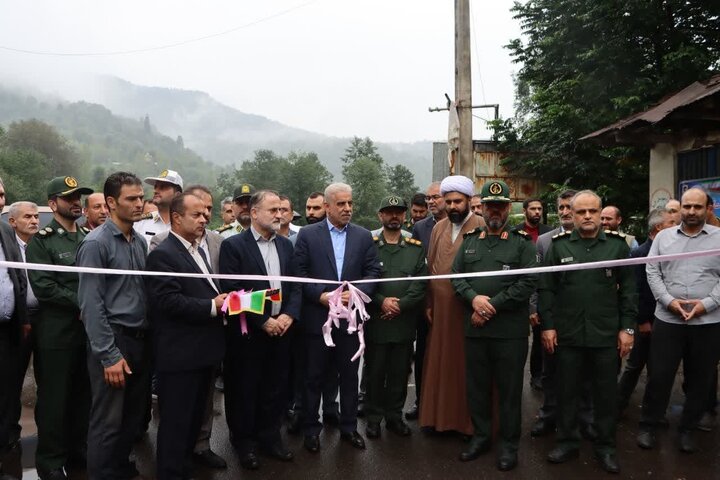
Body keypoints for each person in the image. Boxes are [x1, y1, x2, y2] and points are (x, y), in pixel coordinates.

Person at [540, 190, 636, 474]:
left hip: (605, 335)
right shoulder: (558, 247)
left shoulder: (618, 247)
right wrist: (547, 325)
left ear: (600, 212)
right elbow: (547, 288)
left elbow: (629, 292)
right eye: (580, 211)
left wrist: (627, 329)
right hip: (568, 335)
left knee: (606, 395)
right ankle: (567, 441)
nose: (586, 216)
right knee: (566, 391)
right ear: (571, 212)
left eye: (592, 211)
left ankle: (605, 447)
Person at [451, 180, 537, 471]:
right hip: (475, 330)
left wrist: (491, 306)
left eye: (500, 206)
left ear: (508, 208)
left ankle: (510, 445)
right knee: (478, 388)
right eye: (490, 206)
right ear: (482, 208)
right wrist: (474, 299)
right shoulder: (470, 241)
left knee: (510, 391)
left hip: (509, 333)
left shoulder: (523, 243)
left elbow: (527, 283)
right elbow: (455, 277)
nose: (495, 212)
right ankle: (482, 437)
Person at [145, 192, 228, 480]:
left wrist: (222, 299)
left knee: (193, 418)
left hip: (203, 352)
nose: (204, 219)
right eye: (197, 214)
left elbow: (205, 290)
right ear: (176, 218)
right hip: (180, 354)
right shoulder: (163, 255)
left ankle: (183, 466)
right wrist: (212, 306)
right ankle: (170, 471)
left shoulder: (198, 250)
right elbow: (167, 302)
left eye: (206, 214)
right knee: (176, 421)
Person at [294, 182, 381, 453]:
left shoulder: (363, 236)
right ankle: (311, 430)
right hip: (318, 318)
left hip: (350, 320)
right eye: (341, 204)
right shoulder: (308, 235)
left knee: (349, 376)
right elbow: (298, 273)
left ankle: (349, 428)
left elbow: (373, 272)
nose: (347, 209)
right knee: (313, 376)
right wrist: (321, 296)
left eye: (350, 203)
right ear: (328, 206)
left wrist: (355, 293)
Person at [219, 190, 301, 469]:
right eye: (273, 210)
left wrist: (289, 315)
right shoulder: (234, 247)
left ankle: (271, 438)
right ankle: (245, 443)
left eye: (281, 209)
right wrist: (263, 320)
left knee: (276, 389)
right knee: (245, 389)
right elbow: (232, 292)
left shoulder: (287, 246)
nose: (279, 215)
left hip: (282, 331)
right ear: (254, 213)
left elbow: (296, 286)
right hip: (249, 334)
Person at [77, 172, 151, 480]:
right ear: (110, 202)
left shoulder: (139, 242)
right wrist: (108, 355)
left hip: (139, 341)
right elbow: (90, 306)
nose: (139, 204)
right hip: (113, 342)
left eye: (140, 198)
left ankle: (122, 469)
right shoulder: (96, 244)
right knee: (107, 422)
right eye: (131, 199)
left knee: (131, 419)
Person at [637, 187, 720, 454]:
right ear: (681, 208)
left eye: (698, 207)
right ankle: (649, 425)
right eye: (687, 206)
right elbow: (652, 271)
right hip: (668, 320)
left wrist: (706, 305)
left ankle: (687, 429)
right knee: (659, 376)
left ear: (709, 208)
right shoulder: (664, 237)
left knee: (700, 379)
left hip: (707, 323)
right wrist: (668, 301)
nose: (691, 212)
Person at [26, 176, 94, 480]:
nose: (76, 202)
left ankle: (78, 449)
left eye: (78, 197)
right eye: (69, 198)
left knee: (83, 395)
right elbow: (44, 287)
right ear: (53, 204)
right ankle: (50, 460)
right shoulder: (42, 240)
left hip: (87, 333)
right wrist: (83, 303)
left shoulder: (88, 238)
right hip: (57, 332)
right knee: (55, 398)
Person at [420, 175, 484, 436]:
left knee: (465, 365)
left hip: (468, 308)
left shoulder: (481, 225)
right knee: (439, 360)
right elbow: (431, 266)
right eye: (449, 202)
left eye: (458, 201)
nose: (453, 206)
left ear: (469, 200)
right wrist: (429, 301)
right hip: (440, 310)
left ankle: (468, 424)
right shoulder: (439, 227)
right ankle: (439, 419)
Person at [530, 190, 595, 440]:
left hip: (584, 318)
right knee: (551, 371)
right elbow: (538, 279)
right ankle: (549, 415)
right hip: (552, 317)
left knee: (585, 372)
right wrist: (534, 308)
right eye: (561, 208)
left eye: (570, 207)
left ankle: (585, 418)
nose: (565, 212)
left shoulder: (594, 238)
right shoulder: (544, 241)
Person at [365, 196, 426, 440]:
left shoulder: (415, 246)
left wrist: (401, 305)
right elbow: (362, 280)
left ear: (404, 216)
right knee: (375, 372)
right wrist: (382, 302)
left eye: (398, 212)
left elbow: (420, 284)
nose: (394, 217)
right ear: (380, 215)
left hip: (403, 321)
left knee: (400, 373)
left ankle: (394, 416)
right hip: (376, 320)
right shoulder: (368, 245)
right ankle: (373, 419)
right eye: (389, 212)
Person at [286, 191, 341, 434]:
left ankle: (331, 408)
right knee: (306, 369)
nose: (311, 213)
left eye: (316, 208)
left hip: (337, 312)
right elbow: (298, 277)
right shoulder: (301, 237)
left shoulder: (343, 236)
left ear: (327, 209)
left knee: (332, 367)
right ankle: (302, 413)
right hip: (307, 313)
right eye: (308, 208)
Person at [616, 208, 676, 416]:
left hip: (665, 319)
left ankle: (655, 414)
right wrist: (642, 321)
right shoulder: (640, 253)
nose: (677, 227)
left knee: (658, 369)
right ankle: (617, 406)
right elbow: (636, 290)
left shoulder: (671, 251)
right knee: (634, 366)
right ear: (659, 227)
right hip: (646, 321)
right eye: (672, 223)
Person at [406, 181, 448, 421]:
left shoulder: (461, 224)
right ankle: (422, 403)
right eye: (429, 198)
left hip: (454, 301)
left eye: (436, 197)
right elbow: (415, 263)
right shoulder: (420, 227)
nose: (431, 202)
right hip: (425, 302)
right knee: (423, 353)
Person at [6, 202, 39, 450]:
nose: (35, 221)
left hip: (46, 316)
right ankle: (9, 432)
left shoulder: (41, 245)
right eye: (28, 216)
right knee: (12, 378)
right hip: (18, 318)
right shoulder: (7, 247)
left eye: (37, 216)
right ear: (12, 222)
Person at [0, 193, 28, 480]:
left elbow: (17, 276)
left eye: (2, 195)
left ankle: (5, 447)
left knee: (7, 391)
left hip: (7, 327)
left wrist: (22, 318)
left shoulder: (5, 229)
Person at [512, 197, 552, 391]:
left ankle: (539, 375)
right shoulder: (515, 232)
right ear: (525, 210)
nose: (537, 212)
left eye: (540, 209)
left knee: (540, 335)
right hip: (520, 288)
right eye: (533, 208)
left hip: (540, 288)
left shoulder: (548, 234)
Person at [133, 169, 183, 247]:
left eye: (162, 187)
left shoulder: (185, 224)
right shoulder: (141, 222)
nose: (155, 191)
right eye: (155, 187)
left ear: (177, 195)